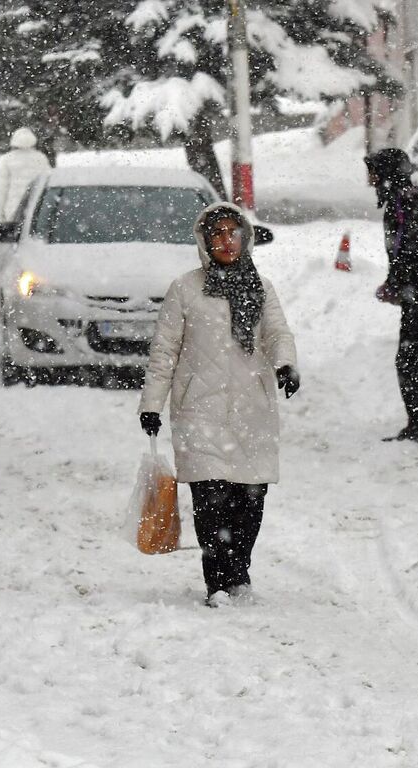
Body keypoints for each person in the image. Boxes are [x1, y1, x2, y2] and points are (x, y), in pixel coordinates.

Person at [139, 203, 299, 606]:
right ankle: (218, 584)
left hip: (252, 410)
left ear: (244, 237)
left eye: (233, 232)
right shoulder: (185, 289)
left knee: (250, 498)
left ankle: (239, 570)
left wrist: (285, 366)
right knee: (211, 499)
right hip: (199, 409)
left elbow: (278, 333)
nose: (227, 240)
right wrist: (152, 403)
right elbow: (165, 351)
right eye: (218, 233)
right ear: (204, 241)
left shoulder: (261, 288)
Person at [365, 148, 418, 444]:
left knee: (412, 360)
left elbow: (413, 250)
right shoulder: (405, 198)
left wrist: (398, 283)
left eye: (373, 172)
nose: (369, 179)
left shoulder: (404, 202)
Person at [0, 127, 53, 222]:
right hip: (37, 205)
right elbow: (48, 182)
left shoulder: (7, 159)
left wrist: (1, 211)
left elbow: (3, 188)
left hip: (14, 207)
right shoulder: (41, 158)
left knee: (15, 234)